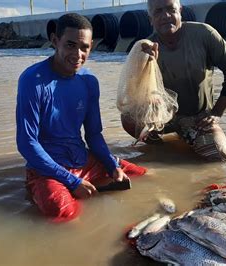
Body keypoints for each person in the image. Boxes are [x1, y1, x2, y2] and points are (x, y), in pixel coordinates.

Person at [16, 13, 146, 222]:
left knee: (142, 176)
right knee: (64, 215)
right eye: (70, 45)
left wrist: (111, 165)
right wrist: (71, 181)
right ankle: (45, 191)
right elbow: (26, 143)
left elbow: (93, 135)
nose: (78, 54)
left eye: (84, 47)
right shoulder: (32, 80)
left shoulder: (88, 81)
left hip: (82, 160)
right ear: (55, 41)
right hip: (48, 169)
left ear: (91, 46)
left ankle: (96, 185)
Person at [122, 0, 226, 162]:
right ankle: (163, 150)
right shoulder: (147, 48)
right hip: (165, 118)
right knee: (128, 119)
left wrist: (217, 113)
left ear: (180, 11)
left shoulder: (204, 34)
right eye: (158, 12)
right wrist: (147, 66)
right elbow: (135, 94)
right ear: (150, 19)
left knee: (219, 155)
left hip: (199, 119)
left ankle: (193, 137)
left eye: (171, 10)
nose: (166, 16)